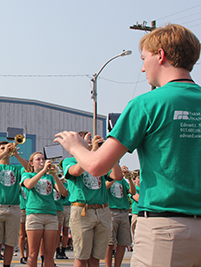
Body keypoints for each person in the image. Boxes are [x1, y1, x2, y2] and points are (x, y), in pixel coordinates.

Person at [55, 24, 201, 266]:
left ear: (161, 55)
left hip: (165, 228)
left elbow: (97, 166)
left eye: (144, 58)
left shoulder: (146, 104)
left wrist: (75, 146)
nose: (143, 67)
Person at [60, 133, 122, 267]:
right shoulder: (69, 161)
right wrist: (92, 151)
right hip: (83, 210)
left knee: (96, 258)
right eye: (86, 141)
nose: (89, 143)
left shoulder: (100, 162)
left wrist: (111, 154)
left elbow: (117, 175)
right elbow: (76, 171)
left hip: (102, 210)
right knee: (82, 257)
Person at [0, 141, 29, 267]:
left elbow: (28, 168)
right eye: (2, 148)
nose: (6, 150)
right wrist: (3, 154)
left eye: (8, 148)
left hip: (14, 208)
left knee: (10, 243)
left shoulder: (16, 168)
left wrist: (16, 155)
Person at [21, 152, 67, 267]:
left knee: (49, 254)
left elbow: (64, 192)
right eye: (38, 159)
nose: (42, 161)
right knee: (33, 253)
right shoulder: (27, 175)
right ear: (31, 163)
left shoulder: (50, 177)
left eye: (43, 159)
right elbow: (29, 185)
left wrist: (55, 174)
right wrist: (43, 171)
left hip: (51, 215)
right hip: (35, 214)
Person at [104, 165, 136, 267]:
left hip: (124, 212)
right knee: (110, 243)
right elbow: (105, 187)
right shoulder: (106, 175)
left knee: (123, 243)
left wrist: (129, 178)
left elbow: (133, 192)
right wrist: (115, 176)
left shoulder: (122, 180)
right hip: (111, 211)